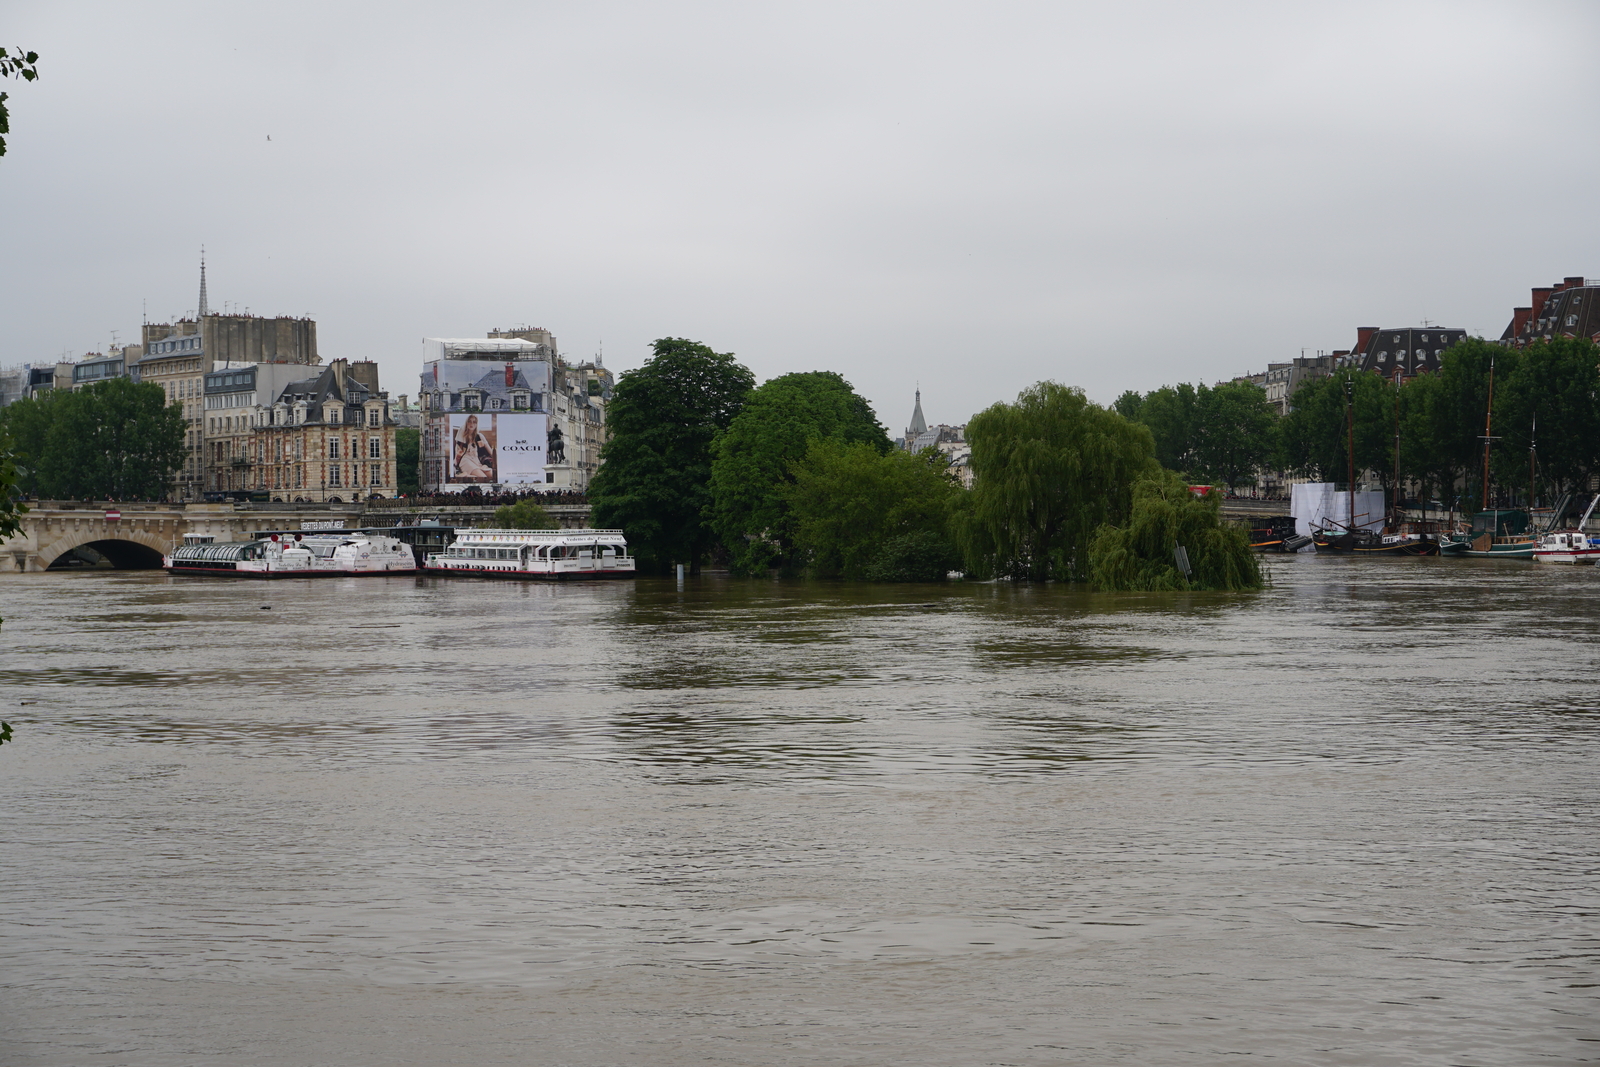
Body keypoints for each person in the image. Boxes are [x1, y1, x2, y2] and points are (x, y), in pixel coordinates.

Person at [452, 414, 494, 481]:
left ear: (476, 424)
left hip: (477, 461)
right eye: (469, 421)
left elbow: (490, 451)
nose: (471, 424)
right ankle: (466, 475)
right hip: (465, 461)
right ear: (466, 423)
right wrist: (455, 464)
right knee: (483, 477)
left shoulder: (479, 436)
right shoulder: (462, 435)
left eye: (474, 422)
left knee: (492, 475)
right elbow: (458, 452)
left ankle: (468, 476)